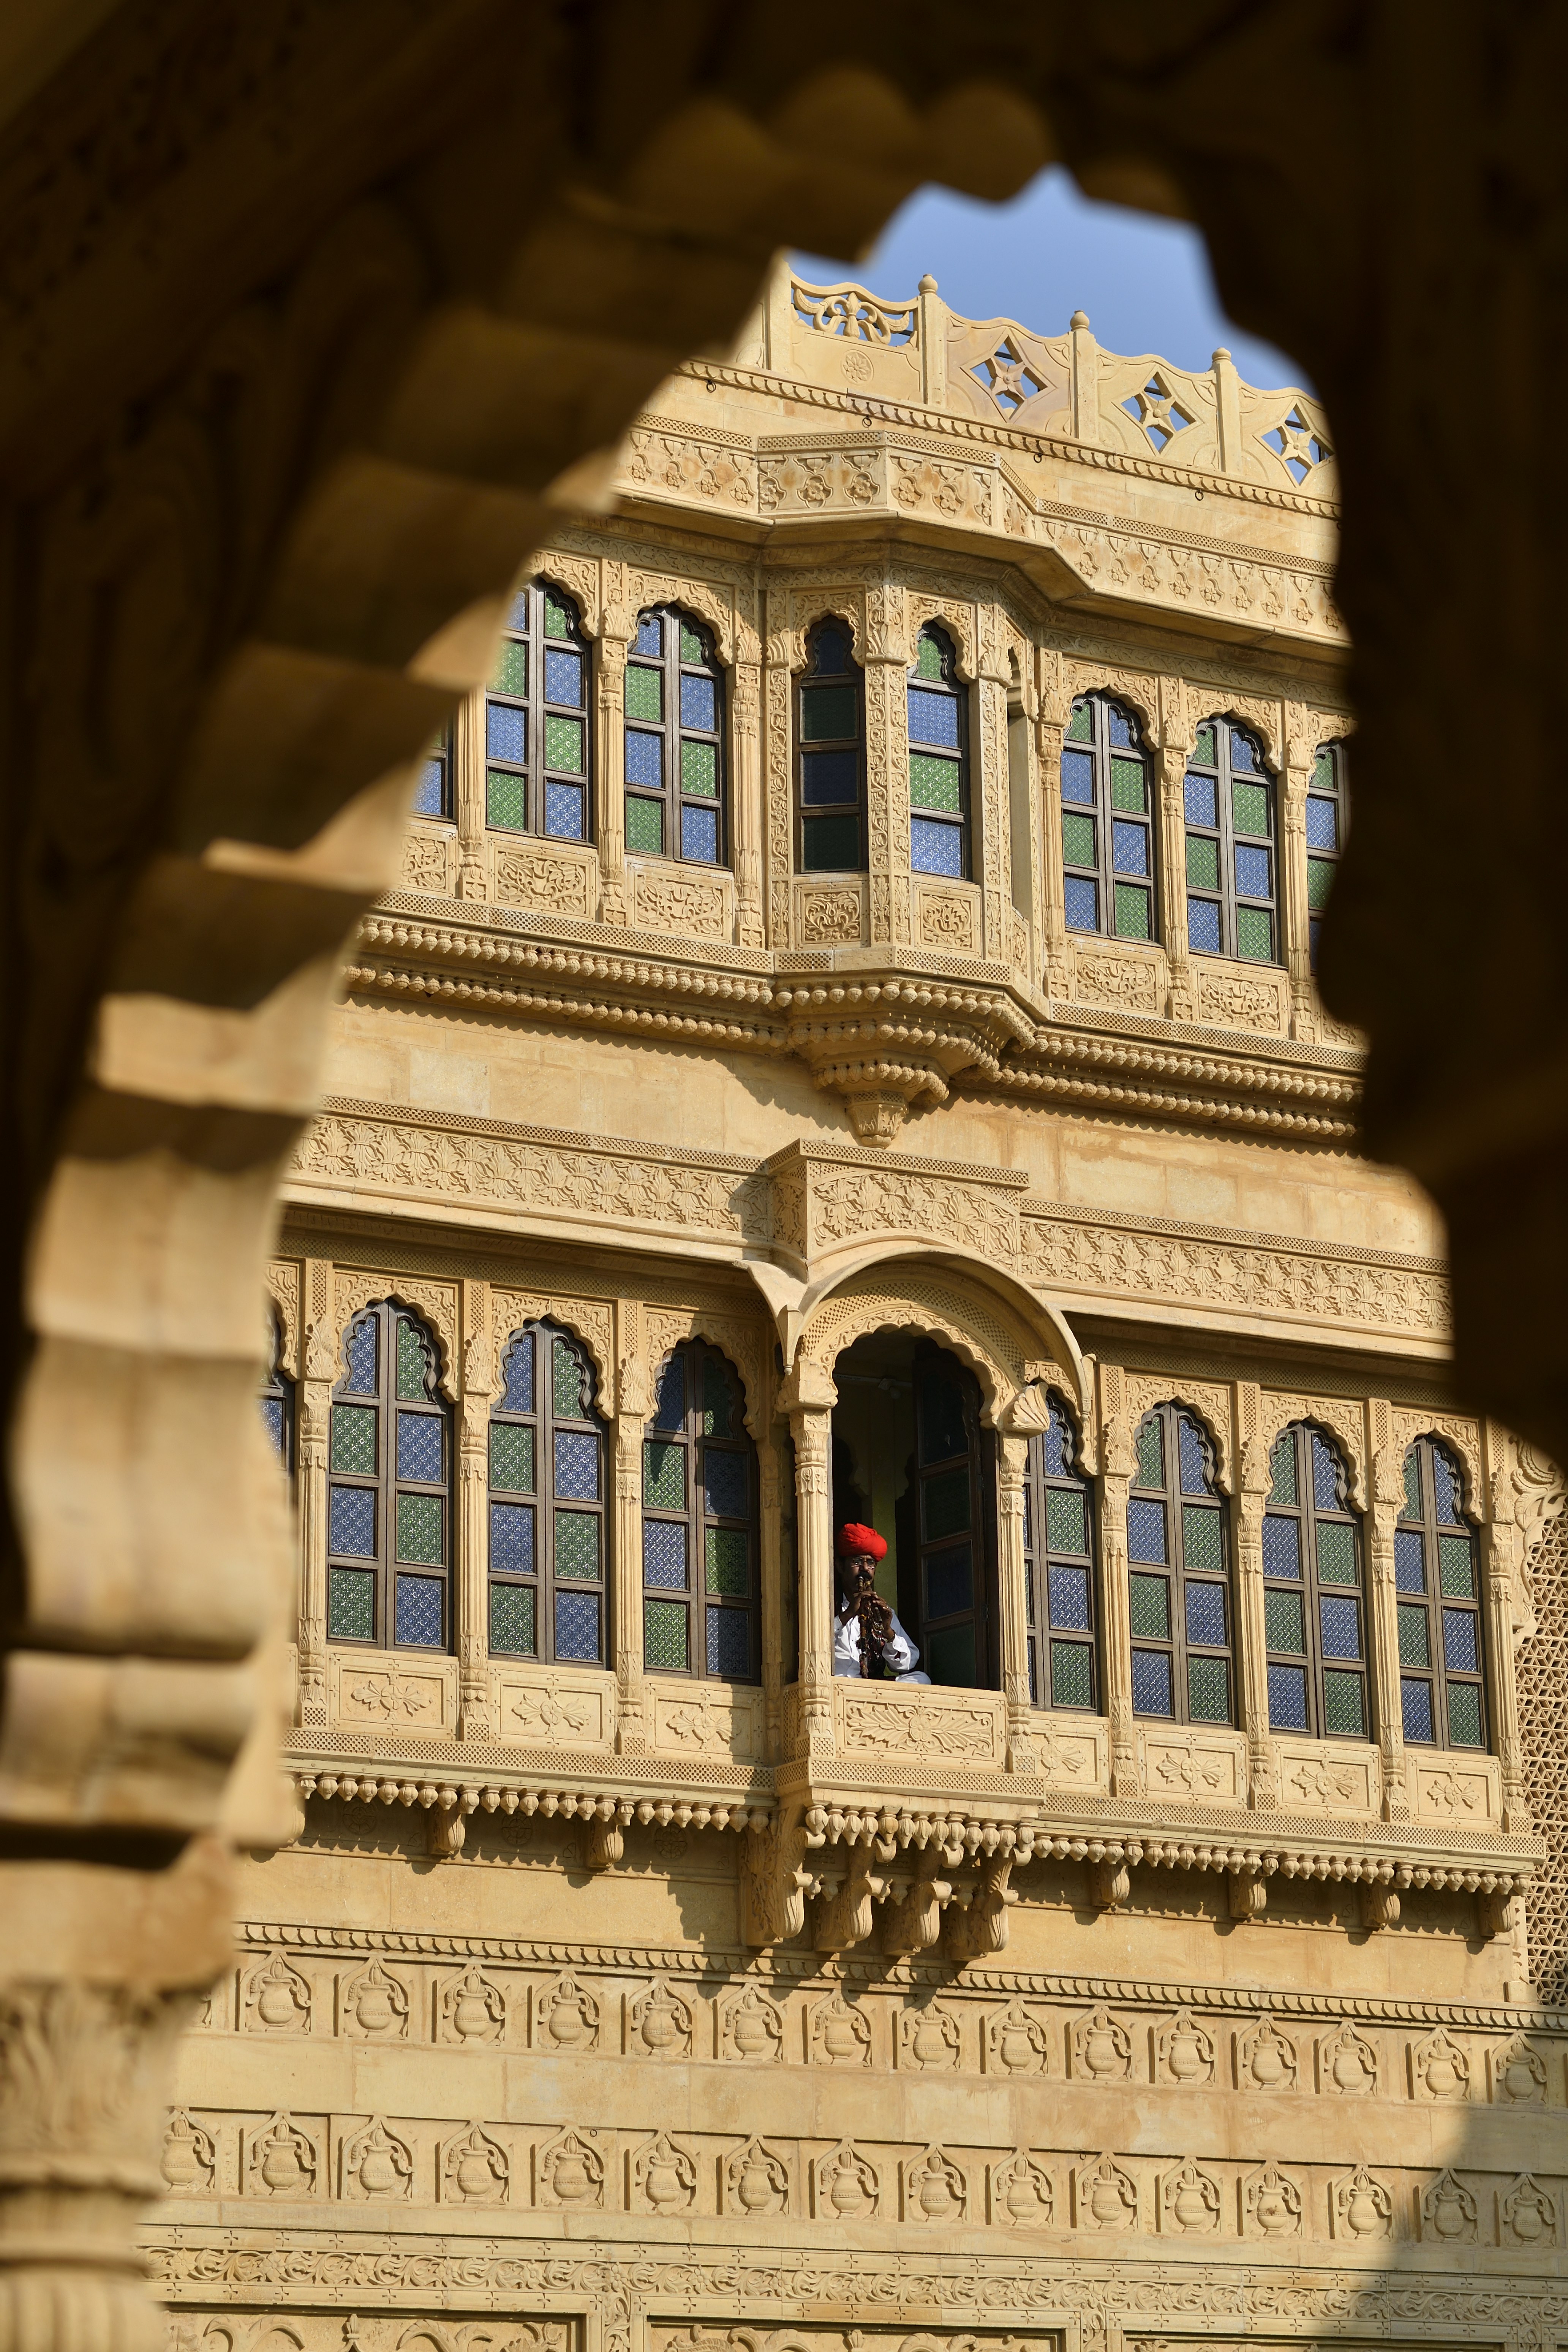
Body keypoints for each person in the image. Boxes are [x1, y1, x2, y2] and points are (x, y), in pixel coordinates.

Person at [832, 1523, 930, 1682]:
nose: (865, 1568)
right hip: (839, 1685)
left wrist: (888, 1631)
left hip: (872, 1687)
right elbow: (815, 1644)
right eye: (857, 1561)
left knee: (921, 1679)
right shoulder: (828, 1605)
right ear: (841, 1566)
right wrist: (849, 1613)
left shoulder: (882, 1612)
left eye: (871, 1563)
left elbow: (905, 1665)